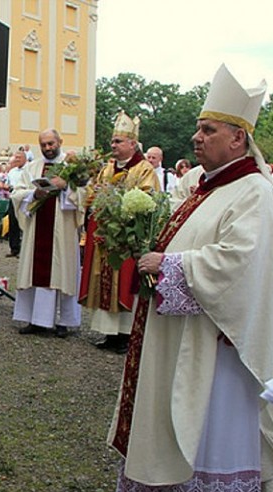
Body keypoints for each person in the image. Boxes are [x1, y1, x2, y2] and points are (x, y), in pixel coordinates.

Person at [111, 64, 273, 492]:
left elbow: (239, 264)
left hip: (216, 352)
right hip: (181, 337)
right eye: (197, 129)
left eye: (208, 130)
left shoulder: (254, 191)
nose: (196, 137)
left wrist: (169, 265)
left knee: (208, 435)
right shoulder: (207, 187)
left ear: (237, 138)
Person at [79, 112, 158, 353]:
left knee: (124, 282)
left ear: (132, 144)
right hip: (104, 233)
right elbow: (93, 193)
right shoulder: (108, 168)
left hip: (126, 237)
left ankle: (125, 334)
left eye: (118, 142)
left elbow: (148, 199)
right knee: (103, 281)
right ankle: (109, 334)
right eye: (112, 142)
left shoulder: (144, 169)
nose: (112, 146)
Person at [11, 129, 83, 338]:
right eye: (43, 144)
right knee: (36, 270)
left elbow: (84, 195)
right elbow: (16, 193)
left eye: (51, 143)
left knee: (63, 272)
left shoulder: (71, 168)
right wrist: (34, 193)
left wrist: (66, 187)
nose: (48, 148)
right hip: (37, 229)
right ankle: (36, 320)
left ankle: (64, 321)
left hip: (63, 231)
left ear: (60, 141)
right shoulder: (32, 168)